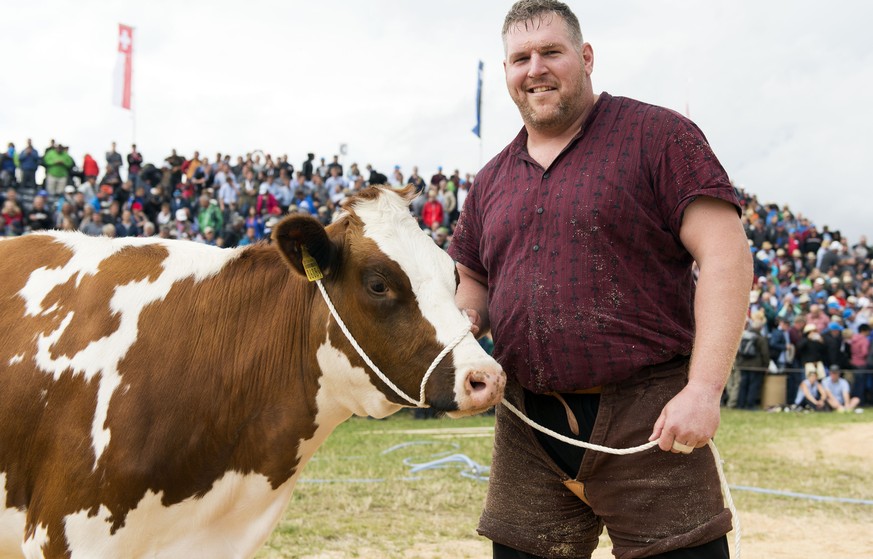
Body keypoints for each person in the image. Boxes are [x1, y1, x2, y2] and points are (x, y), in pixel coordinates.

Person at [447, 2, 752, 558]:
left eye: (551, 52)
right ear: (507, 70)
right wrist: (464, 329)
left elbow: (726, 256)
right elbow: (472, 278)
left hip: (650, 415)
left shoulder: (659, 136)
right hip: (527, 425)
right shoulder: (491, 178)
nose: (534, 68)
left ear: (585, 57)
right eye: (520, 58)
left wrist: (704, 389)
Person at [735, 320, 771, 410]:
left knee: (743, 385)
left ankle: (740, 404)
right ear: (761, 328)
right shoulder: (760, 338)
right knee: (753, 385)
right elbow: (765, 353)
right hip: (756, 366)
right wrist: (766, 365)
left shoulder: (744, 336)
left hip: (743, 365)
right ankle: (750, 405)